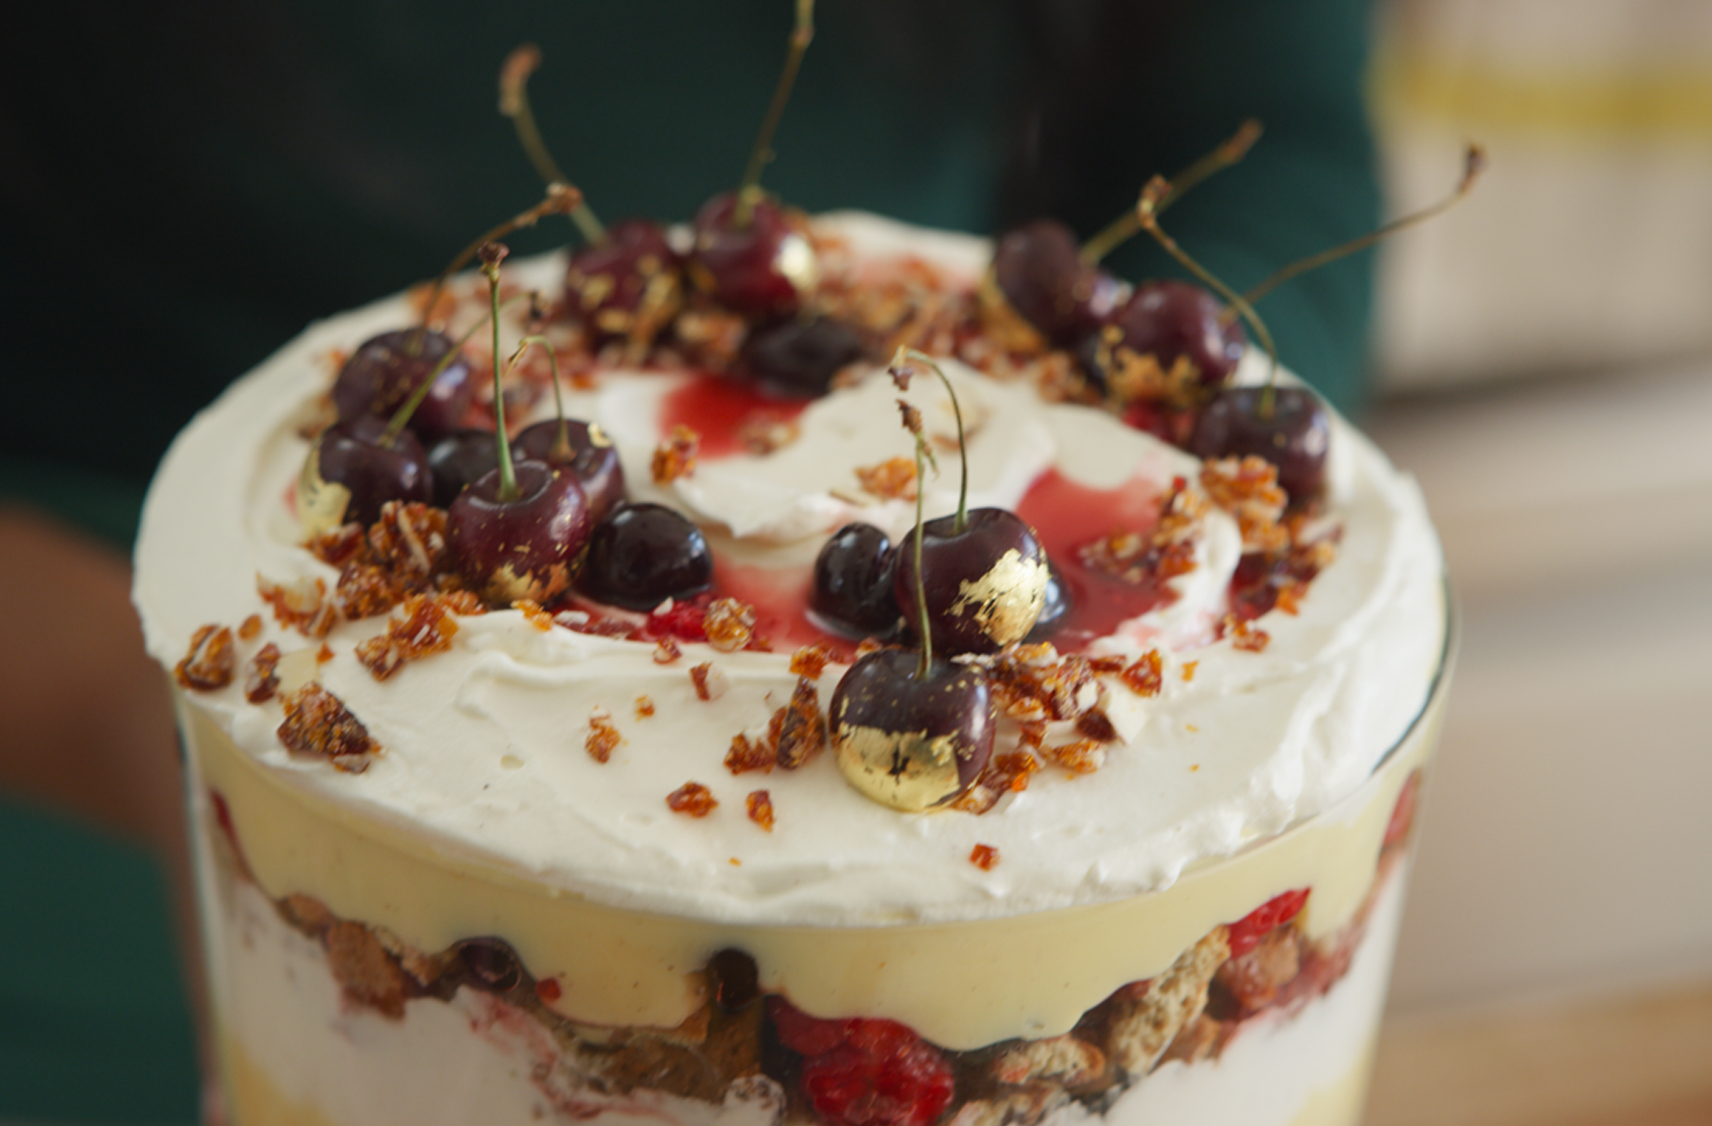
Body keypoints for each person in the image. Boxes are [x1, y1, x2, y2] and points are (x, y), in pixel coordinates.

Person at [0, 1, 1378, 1119]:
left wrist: (1173, 501)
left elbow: (1281, 141)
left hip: (978, 434)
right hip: (99, 681)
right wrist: (157, 731)